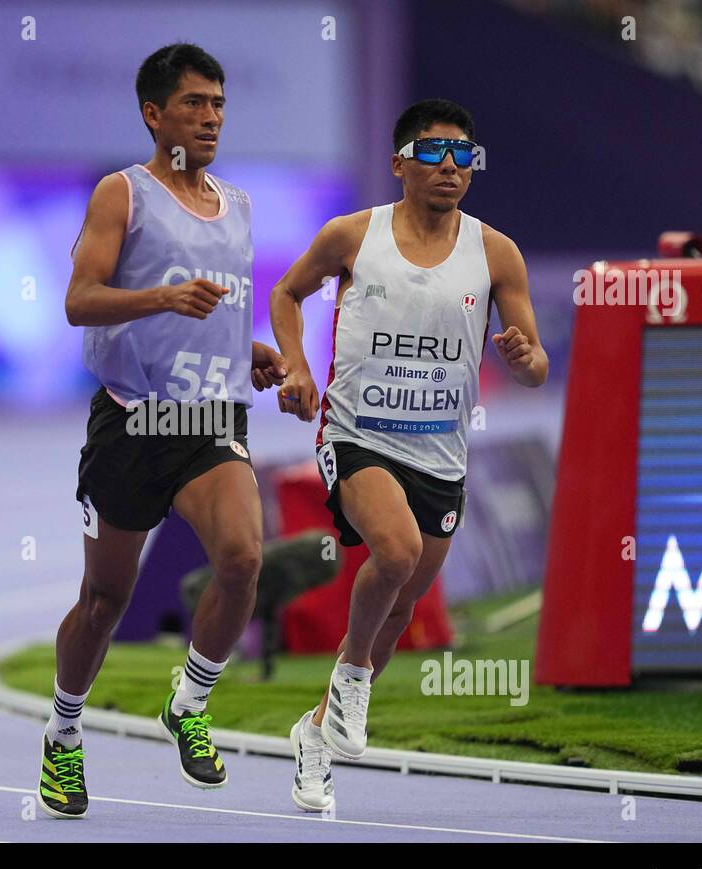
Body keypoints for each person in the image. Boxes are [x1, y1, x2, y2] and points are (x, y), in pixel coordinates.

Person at [267, 99, 548, 812]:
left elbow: (536, 365)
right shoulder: (352, 235)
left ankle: (316, 735)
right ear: (399, 163)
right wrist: (298, 368)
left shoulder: (497, 253)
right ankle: (354, 676)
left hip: (441, 456)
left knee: (402, 606)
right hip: (357, 434)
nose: (451, 166)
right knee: (390, 555)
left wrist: (523, 354)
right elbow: (286, 293)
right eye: (433, 152)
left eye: (464, 155)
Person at [39, 43, 286, 819]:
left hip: (210, 420)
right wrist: (161, 299)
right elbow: (80, 301)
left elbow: (214, 308)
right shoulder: (124, 194)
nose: (210, 118)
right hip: (131, 420)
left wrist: (249, 351)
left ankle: (190, 701)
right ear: (155, 114)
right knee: (105, 599)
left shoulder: (238, 205)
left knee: (244, 559)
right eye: (193, 104)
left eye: (217, 104)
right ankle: (63, 735)